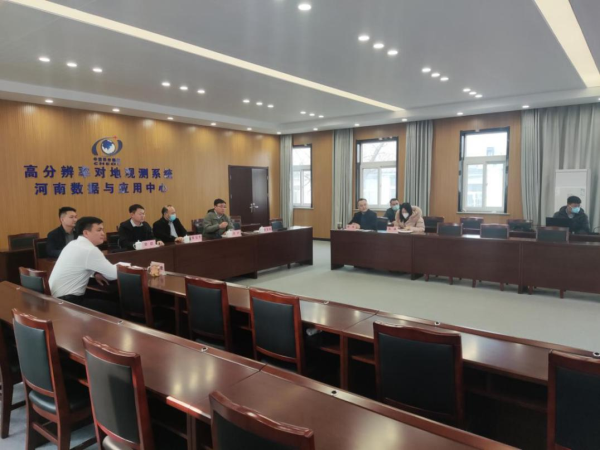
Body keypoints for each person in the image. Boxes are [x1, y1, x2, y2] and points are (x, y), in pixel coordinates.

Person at [48, 216, 122, 316]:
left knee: (107, 296)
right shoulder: (90, 250)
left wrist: (95, 273)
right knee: (117, 308)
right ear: (86, 233)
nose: (103, 233)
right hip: (68, 302)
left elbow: (79, 266)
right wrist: (124, 265)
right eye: (99, 230)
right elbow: (113, 275)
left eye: (102, 230)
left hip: (54, 299)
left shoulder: (72, 244)